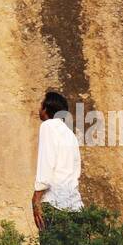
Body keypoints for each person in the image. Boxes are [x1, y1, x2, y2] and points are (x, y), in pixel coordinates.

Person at [32, 91, 83, 231]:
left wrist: (36, 199)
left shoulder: (48, 126)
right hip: (75, 206)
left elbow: (46, 163)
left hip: (54, 203)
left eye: (41, 105)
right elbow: (76, 170)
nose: (39, 108)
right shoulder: (70, 135)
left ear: (46, 109)